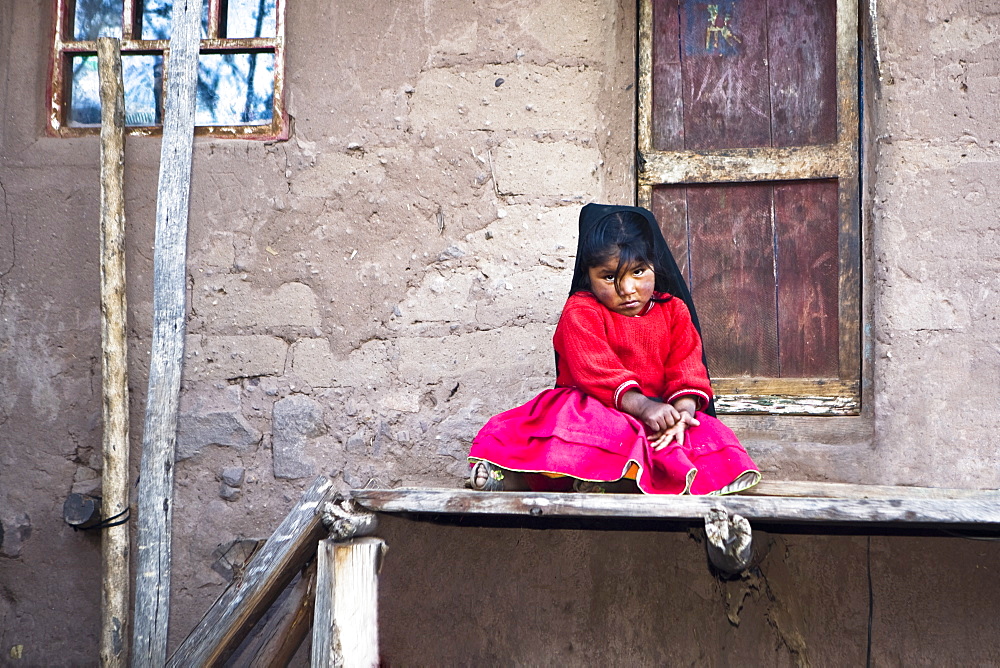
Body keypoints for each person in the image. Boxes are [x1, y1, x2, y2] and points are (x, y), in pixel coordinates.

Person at [467, 203, 760, 495]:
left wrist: (682, 414)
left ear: (655, 265)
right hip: (598, 410)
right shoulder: (581, 311)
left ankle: (612, 480)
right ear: (588, 274)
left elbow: (687, 366)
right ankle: (514, 477)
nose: (627, 289)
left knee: (702, 437)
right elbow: (595, 370)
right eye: (609, 277)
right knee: (579, 435)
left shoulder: (674, 312)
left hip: (658, 417)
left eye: (639, 271)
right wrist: (643, 407)